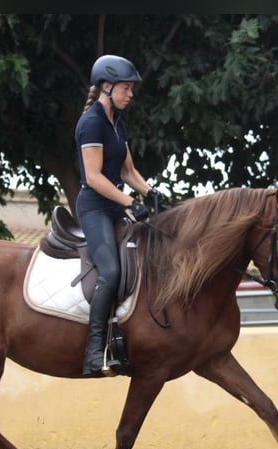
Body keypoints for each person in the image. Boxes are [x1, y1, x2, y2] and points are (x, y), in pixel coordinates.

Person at [74, 54, 161, 376]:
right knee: (110, 272)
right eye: (126, 88)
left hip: (114, 205)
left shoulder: (116, 122)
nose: (131, 94)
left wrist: (150, 193)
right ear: (106, 86)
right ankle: (94, 354)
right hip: (95, 207)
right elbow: (94, 176)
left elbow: (128, 170)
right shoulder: (92, 123)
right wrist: (129, 202)